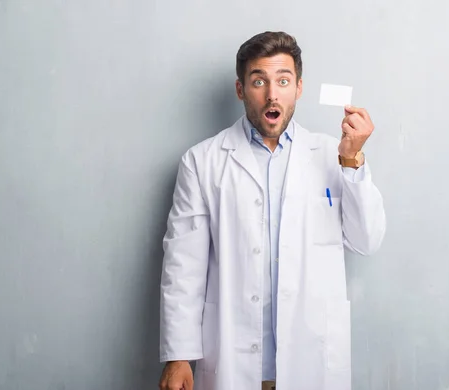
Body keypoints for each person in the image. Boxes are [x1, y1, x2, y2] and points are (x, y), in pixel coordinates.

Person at [158, 31, 386, 390]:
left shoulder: (333, 154)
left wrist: (352, 161)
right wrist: (178, 356)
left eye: (283, 80)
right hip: (232, 358)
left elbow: (366, 240)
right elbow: (183, 266)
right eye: (258, 81)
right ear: (240, 89)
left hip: (311, 357)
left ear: (299, 87)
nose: (271, 93)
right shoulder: (202, 162)